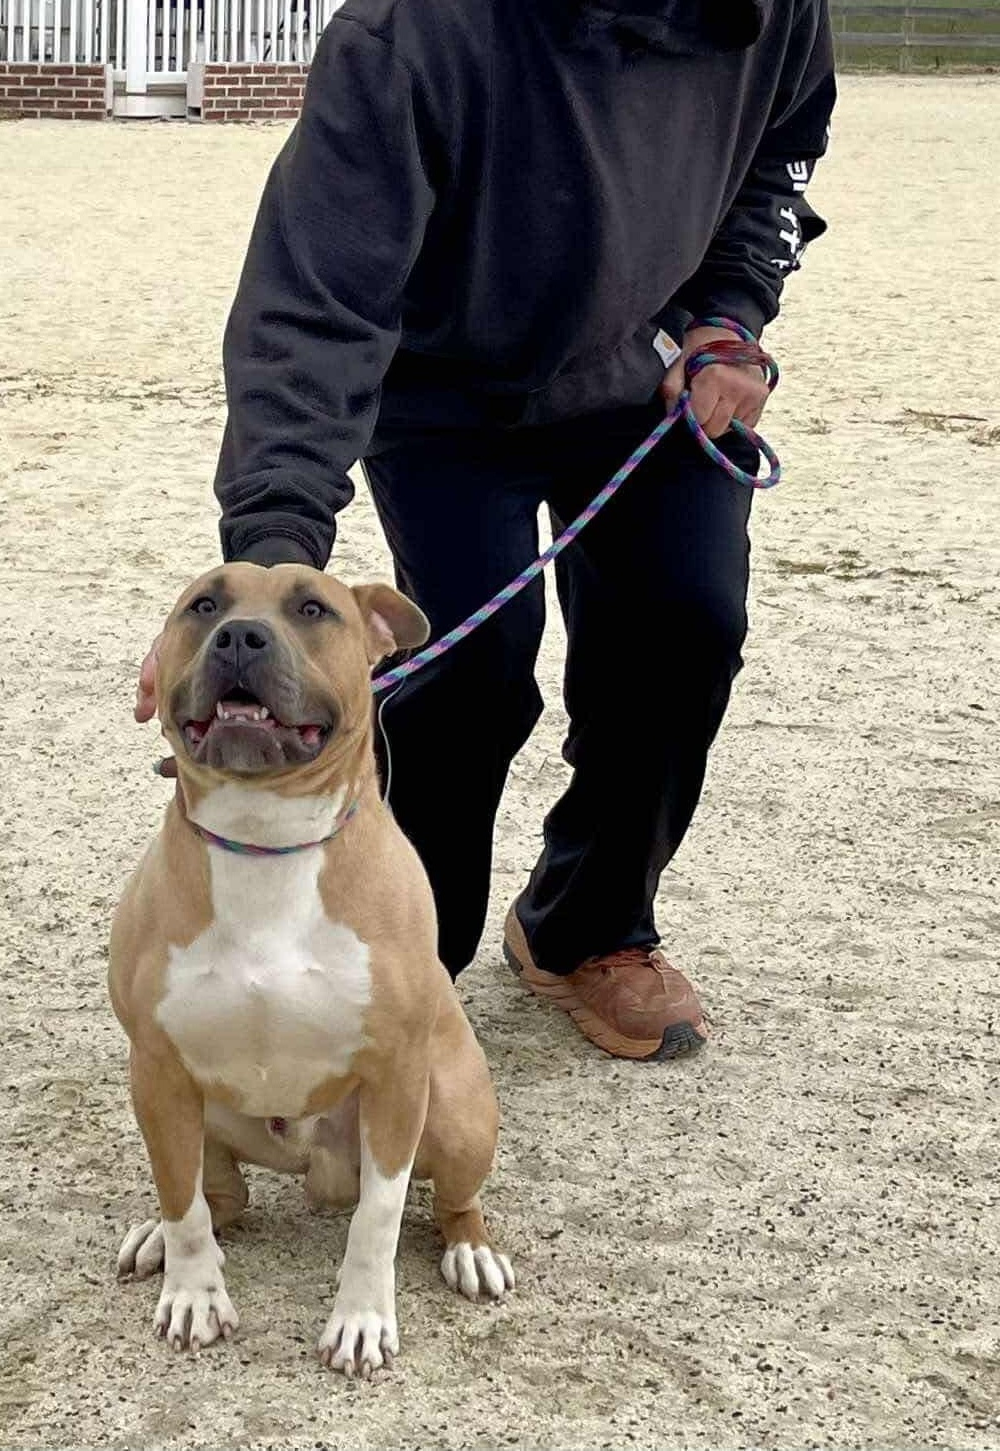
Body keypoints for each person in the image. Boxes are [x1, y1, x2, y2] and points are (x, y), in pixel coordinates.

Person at [135, 0, 836, 1061]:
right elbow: (312, 301)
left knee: (684, 626)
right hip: (443, 395)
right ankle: (405, 959)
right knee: (465, 671)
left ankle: (586, 925)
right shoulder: (404, 35)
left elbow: (780, 150)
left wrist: (727, 314)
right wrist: (272, 560)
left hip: (646, 383)